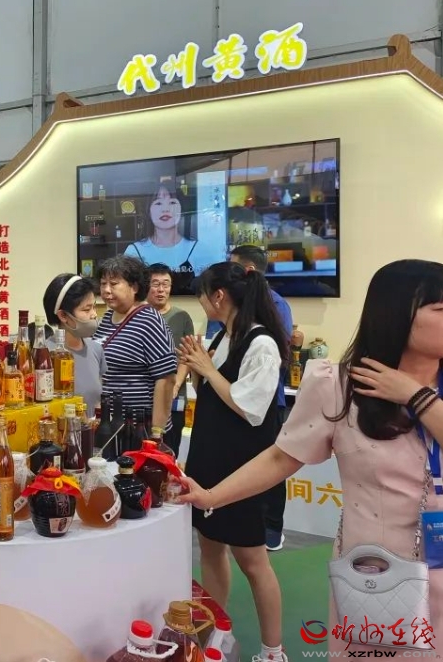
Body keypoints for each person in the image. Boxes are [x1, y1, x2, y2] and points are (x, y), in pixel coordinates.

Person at [181, 259, 443, 658]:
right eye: (440, 308)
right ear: (397, 313)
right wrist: (211, 496)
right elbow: (281, 459)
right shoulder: (338, 386)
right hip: (378, 572)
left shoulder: (259, 341)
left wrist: (416, 396)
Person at [175, 261, 287, 662]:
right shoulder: (223, 335)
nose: (202, 303)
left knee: (253, 560)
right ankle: (213, 633)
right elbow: (214, 392)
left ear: (218, 296)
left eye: (202, 296)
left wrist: (206, 367)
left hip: (243, 467)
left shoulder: (261, 343)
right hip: (209, 457)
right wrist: (196, 369)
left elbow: (250, 408)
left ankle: (273, 650)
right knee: (210, 546)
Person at [230, 244, 294, 551]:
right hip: (233, 400)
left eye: (233, 268)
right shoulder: (233, 303)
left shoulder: (276, 305)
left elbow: (279, 355)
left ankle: (272, 529)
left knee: (270, 465)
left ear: (249, 271)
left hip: (267, 401)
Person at [93, 256, 176, 443]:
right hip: (110, 425)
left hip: (139, 430)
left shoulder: (150, 320)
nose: (106, 290)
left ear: (135, 287)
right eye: (103, 283)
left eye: (114, 284)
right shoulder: (107, 318)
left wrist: (156, 434)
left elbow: (166, 379)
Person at [147, 264, 195, 457]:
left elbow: (186, 356)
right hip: (146, 397)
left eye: (165, 284)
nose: (161, 290)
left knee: (169, 450)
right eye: (155, 284)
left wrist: (175, 386)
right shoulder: (140, 316)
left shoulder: (182, 317)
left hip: (175, 397)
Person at [43, 274, 107, 418]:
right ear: (63, 316)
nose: (94, 314)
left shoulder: (96, 350)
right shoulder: (43, 354)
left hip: (91, 430)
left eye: (94, 307)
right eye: (86, 309)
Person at [124, 184, 199, 272]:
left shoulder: (197, 248)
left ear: (182, 209)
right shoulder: (134, 252)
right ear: (148, 211)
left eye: (172, 202)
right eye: (158, 203)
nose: (165, 209)